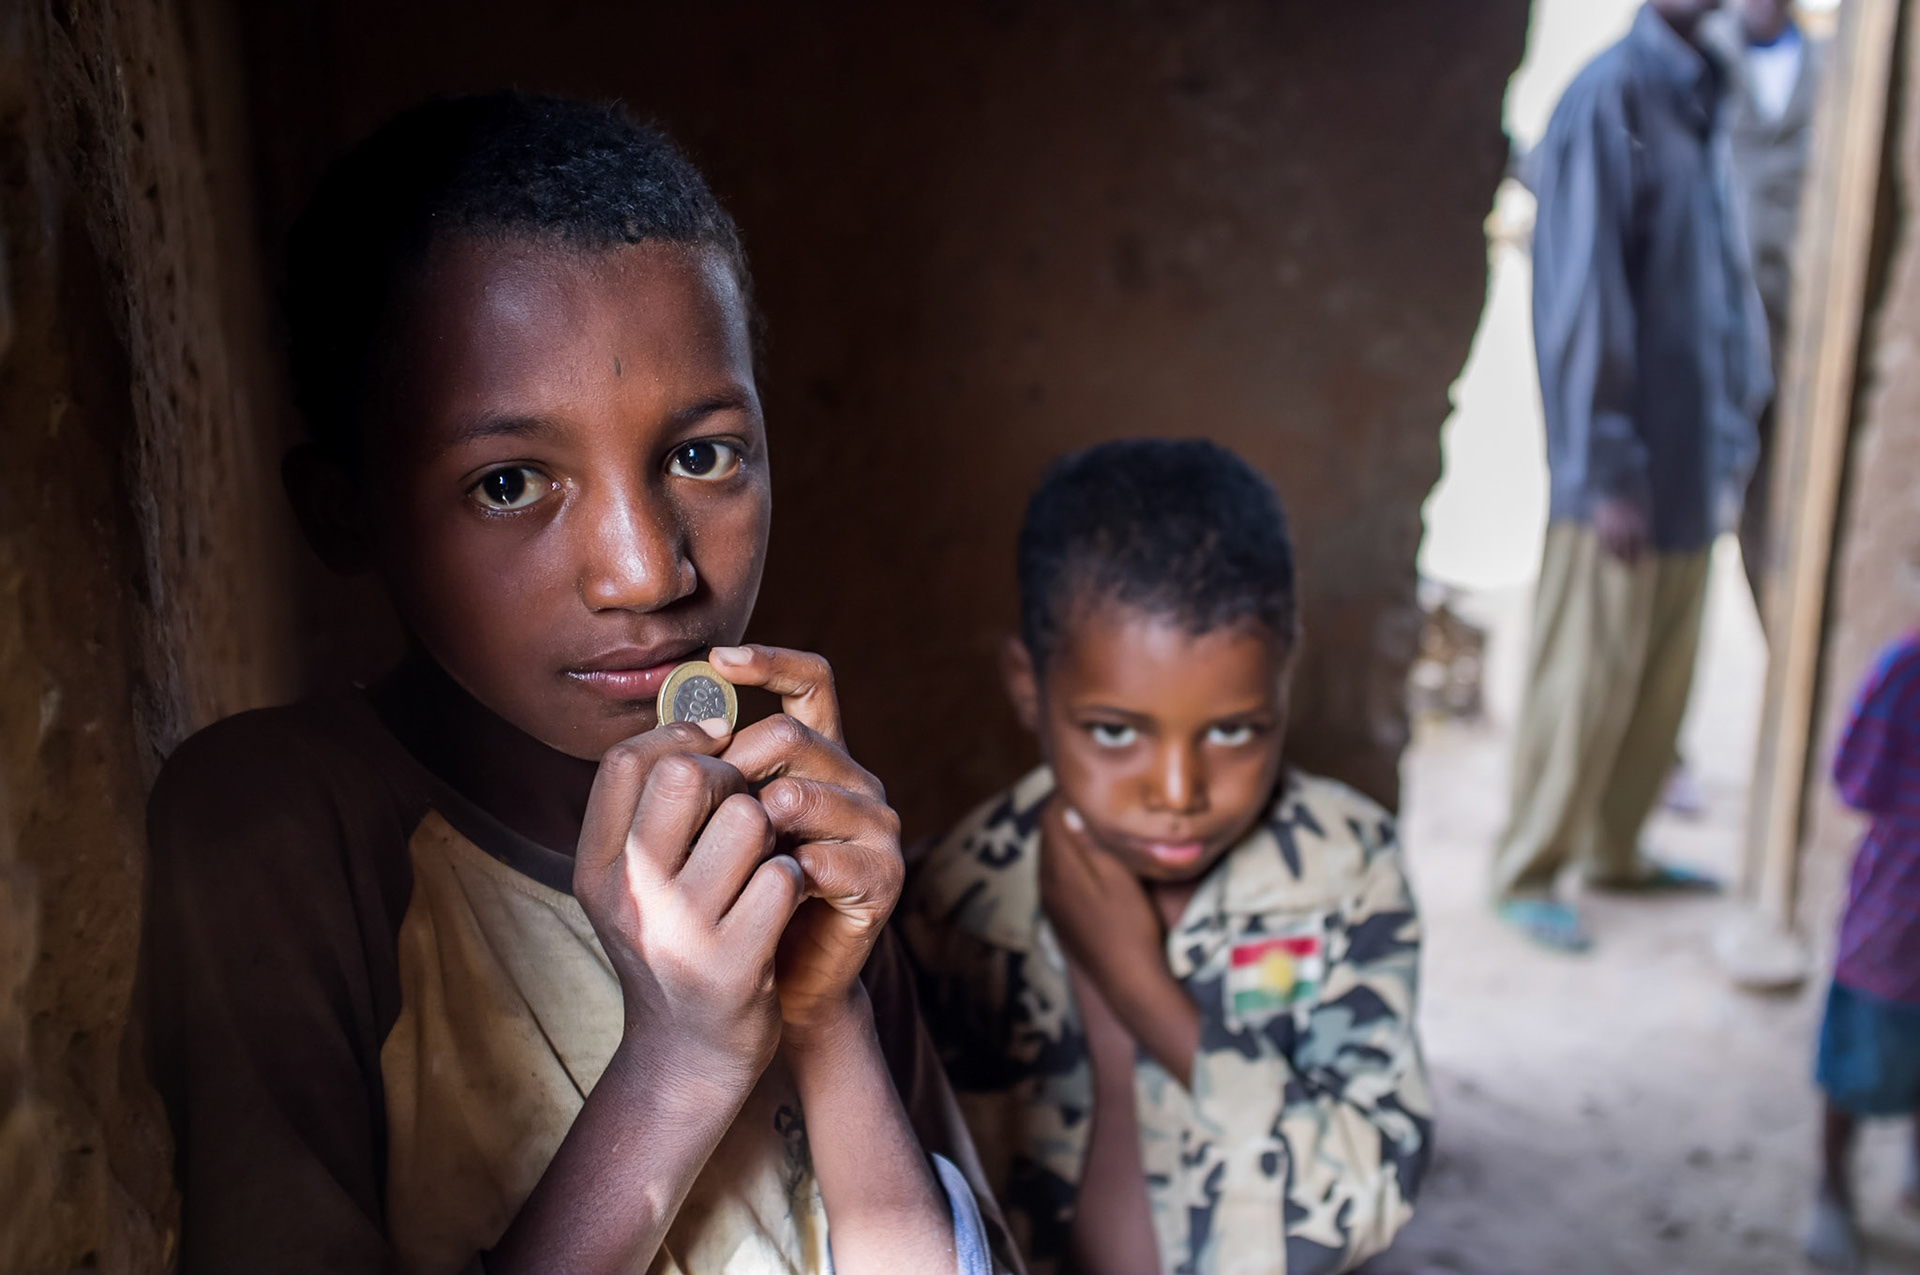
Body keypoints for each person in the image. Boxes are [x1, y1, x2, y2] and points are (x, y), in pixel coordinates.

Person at [141, 92, 1017, 1275]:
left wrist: (827, 1013)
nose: (646, 572)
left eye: (702, 456)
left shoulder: (794, 836)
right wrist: (679, 1063)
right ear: (344, 513)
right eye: (509, 483)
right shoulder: (278, 827)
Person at [900, 440, 1431, 1275]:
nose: (1179, 790)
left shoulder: (1344, 874)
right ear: (1028, 686)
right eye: (1115, 732)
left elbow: (1371, 1194)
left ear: (1286, 676)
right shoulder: (947, 902)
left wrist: (1144, 993)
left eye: (1233, 730)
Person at [1492, 0, 1772, 951]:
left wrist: (1734, 427)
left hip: (1694, 457)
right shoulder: (1610, 97)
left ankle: (1618, 846)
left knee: (1660, 679)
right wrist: (1608, 467)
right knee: (1585, 674)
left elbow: (1719, 287)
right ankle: (1531, 864)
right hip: (1625, 472)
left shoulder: (1701, 89)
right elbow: (1582, 300)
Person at [1802, 631, 1920, 1273]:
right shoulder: (1905, 669)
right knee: (1857, 1056)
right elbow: (1854, 780)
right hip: (1896, 909)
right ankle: (1831, 1189)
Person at [1722, 0, 1824, 618]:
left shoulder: (1829, 69)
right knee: (1748, 506)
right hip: (1725, 339)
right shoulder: (1699, 63)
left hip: (1805, 340)